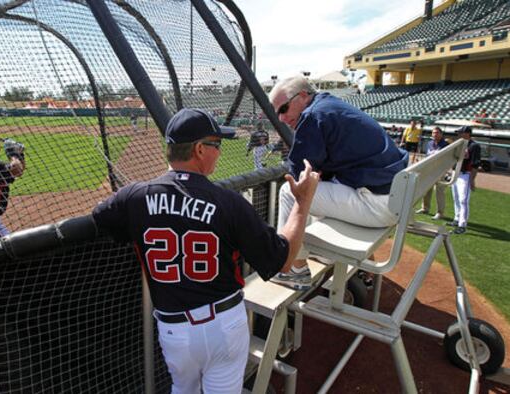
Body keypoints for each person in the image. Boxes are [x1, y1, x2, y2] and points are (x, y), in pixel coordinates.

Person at [92, 108, 319, 394]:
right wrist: (301, 204)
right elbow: (282, 261)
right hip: (223, 326)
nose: (219, 152)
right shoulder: (229, 202)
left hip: (174, 332)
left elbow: (100, 216)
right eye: (216, 145)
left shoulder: (134, 197)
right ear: (199, 149)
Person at [268, 75, 408, 280]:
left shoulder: (312, 115)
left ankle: (293, 267)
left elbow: (298, 175)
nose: (281, 118)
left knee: (290, 191)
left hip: (378, 204)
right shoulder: (329, 104)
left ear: (303, 96)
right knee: (321, 184)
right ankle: (324, 254)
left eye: (283, 109)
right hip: (395, 198)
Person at [449, 126, 480, 234]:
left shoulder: (474, 146)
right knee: (456, 198)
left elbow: (475, 164)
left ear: (467, 133)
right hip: (456, 173)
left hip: (465, 175)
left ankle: (462, 225)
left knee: (463, 200)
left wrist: (472, 179)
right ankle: (456, 219)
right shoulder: (459, 144)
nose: (459, 135)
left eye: (461, 133)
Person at [416, 127, 448, 220]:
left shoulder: (445, 145)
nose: (435, 134)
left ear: (441, 134)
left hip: (440, 171)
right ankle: (425, 208)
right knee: (426, 190)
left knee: (439, 192)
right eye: (433, 133)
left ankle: (440, 212)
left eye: (437, 133)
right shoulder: (430, 143)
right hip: (429, 170)